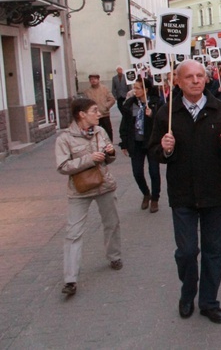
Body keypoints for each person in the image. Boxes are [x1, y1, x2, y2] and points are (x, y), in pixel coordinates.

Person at [149, 59, 221, 324]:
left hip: (215, 191)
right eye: (189, 77)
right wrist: (165, 149)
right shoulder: (167, 114)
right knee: (187, 251)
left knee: (213, 250)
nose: (196, 80)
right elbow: (154, 152)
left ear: (207, 79)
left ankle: (209, 301)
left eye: (200, 75)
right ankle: (188, 292)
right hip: (183, 193)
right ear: (177, 81)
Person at [55, 97, 122, 296]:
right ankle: (70, 279)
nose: (98, 113)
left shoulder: (100, 131)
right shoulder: (64, 138)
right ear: (82, 114)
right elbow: (62, 167)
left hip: (104, 185)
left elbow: (110, 157)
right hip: (80, 191)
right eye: (94, 110)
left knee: (112, 223)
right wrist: (88, 159)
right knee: (73, 232)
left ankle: (114, 256)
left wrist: (110, 153)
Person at [119, 78, 163, 213]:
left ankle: (155, 198)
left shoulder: (156, 103)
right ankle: (146, 193)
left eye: (138, 88)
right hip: (136, 143)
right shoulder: (130, 104)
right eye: (134, 87)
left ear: (146, 90)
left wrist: (152, 115)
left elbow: (163, 122)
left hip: (151, 142)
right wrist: (124, 143)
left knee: (154, 172)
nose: (135, 90)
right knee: (137, 172)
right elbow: (125, 125)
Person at [83, 73, 116, 142]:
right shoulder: (87, 92)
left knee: (108, 131)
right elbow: (85, 104)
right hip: (93, 116)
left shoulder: (104, 89)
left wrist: (106, 107)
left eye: (95, 79)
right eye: (91, 79)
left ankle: (109, 146)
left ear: (98, 79)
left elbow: (112, 99)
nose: (93, 81)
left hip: (104, 114)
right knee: (94, 132)